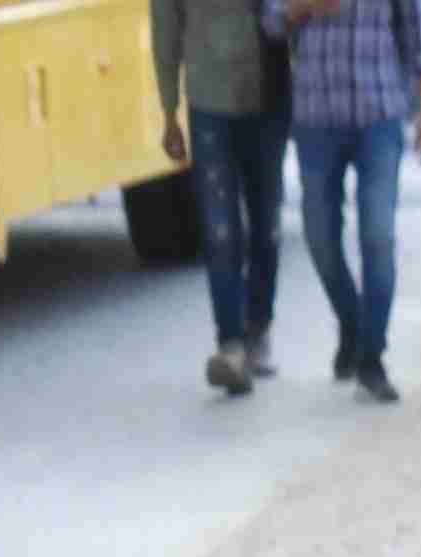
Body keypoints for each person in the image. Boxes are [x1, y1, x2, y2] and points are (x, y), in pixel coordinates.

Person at [274, 0, 421, 404]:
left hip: (378, 114)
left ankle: (371, 356)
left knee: (378, 236)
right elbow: (270, 20)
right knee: (320, 237)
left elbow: (416, 34)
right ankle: (352, 320)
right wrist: (304, 7)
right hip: (316, 116)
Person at [150, 0, 291, 393]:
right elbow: (165, 26)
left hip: (268, 96)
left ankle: (258, 328)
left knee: (266, 223)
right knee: (220, 230)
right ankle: (230, 343)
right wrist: (168, 111)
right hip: (209, 102)